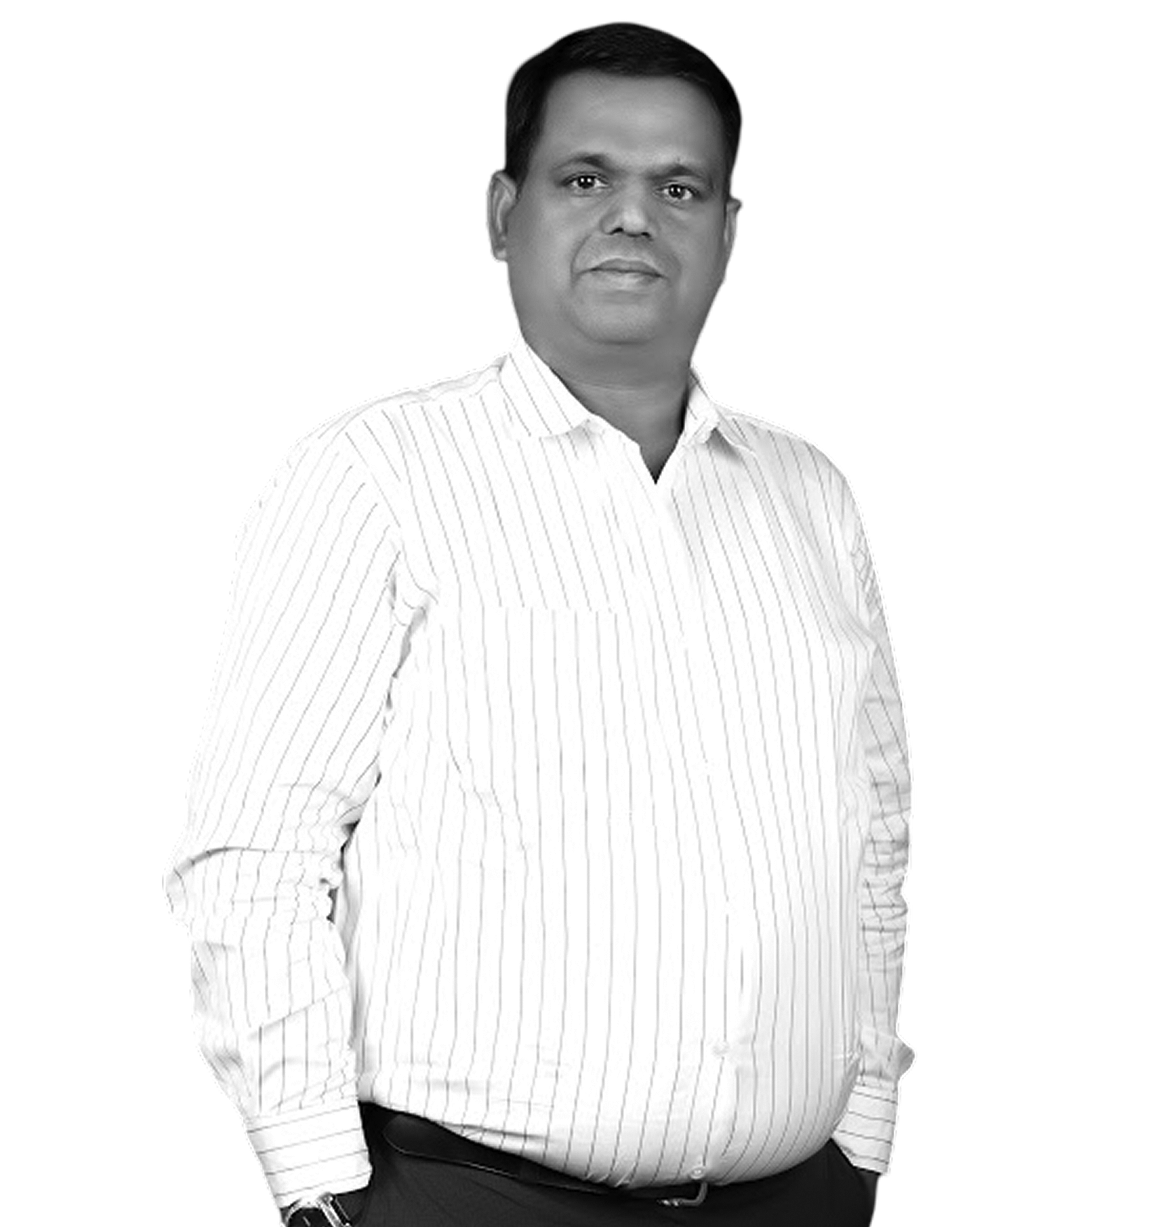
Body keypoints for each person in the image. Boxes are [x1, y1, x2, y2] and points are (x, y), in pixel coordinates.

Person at [164, 20, 915, 1227]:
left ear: (731, 231)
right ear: (504, 214)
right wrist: (317, 1184)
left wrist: (866, 1124)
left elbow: (872, 830)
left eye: (680, 186)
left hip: (796, 1200)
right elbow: (257, 854)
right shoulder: (372, 475)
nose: (634, 217)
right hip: (467, 1199)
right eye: (585, 178)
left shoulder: (812, 493)